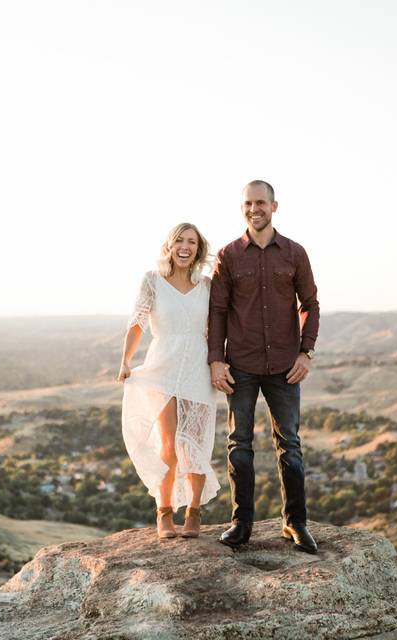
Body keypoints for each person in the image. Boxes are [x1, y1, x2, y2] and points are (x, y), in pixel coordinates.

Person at [208, 180, 321, 554]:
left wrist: (306, 353)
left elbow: (310, 304)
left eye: (261, 202)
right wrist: (216, 360)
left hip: (285, 366)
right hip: (240, 364)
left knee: (290, 444)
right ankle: (241, 525)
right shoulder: (228, 256)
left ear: (274, 206)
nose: (254, 209)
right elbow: (218, 311)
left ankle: (296, 524)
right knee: (239, 443)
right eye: (248, 203)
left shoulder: (294, 253)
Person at [117, 223, 220, 539]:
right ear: (170, 246)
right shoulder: (153, 280)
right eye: (180, 241)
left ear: (198, 249)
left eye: (192, 242)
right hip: (162, 368)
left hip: (197, 371)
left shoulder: (208, 285)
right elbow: (137, 323)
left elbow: (219, 329)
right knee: (169, 445)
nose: (185, 246)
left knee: (195, 444)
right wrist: (125, 360)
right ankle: (164, 513)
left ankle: (193, 512)